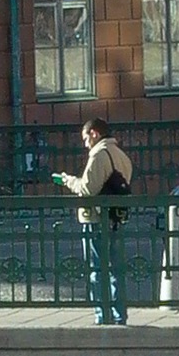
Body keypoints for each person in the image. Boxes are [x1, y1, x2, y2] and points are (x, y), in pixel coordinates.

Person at [52, 118, 135, 326]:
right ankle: (119, 315)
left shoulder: (99, 155)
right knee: (116, 268)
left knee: (97, 268)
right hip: (116, 218)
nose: (85, 143)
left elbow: (87, 190)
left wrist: (67, 181)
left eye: (86, 138)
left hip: (95, 218)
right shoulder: (121, 156)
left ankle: (102, 315)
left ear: (95, 134)